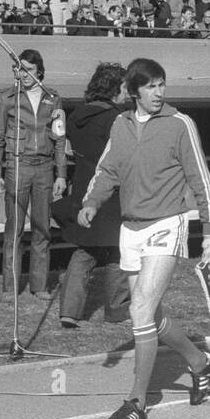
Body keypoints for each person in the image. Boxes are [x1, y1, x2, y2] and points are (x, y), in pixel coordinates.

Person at [79, 58, 210, 419]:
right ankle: (198, 361)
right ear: (133, 92)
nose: (158, 92)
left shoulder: (180, 124)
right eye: (150, 87)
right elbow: (107, 169)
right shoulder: (120, 124)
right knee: (150, 314)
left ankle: (137, 401)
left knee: (140, 310)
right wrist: (92, 202)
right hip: (131, 229)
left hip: (167, 222)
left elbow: (201, 180)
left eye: (162, 84)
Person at [55, 62, 130, 330]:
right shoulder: (117, 119)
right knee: (118, 252)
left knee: (85, 251)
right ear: (113, 89)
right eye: (124, 87)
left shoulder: (76, 116)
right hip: (111, 193)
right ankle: (117, 310)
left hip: (83, 190)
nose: (127, 92)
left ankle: (69, 311)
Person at [0, 49, 67, 298]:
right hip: (17, 167)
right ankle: (10, 286)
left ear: (39, 71)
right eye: (19, 69)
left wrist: (61, 175)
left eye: (29, 70)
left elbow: (59, 138)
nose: (23, 75)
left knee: (42, 227)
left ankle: (39, 285)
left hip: (44, 168)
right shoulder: (6, 98)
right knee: (14, 228)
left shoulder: (53, 98)